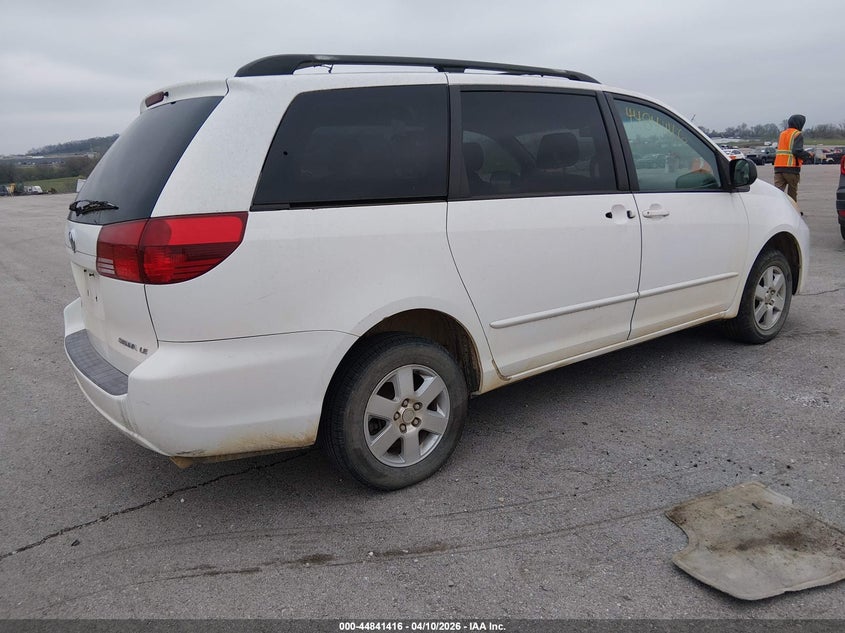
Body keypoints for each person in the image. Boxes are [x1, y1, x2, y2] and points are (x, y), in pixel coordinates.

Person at [773, 114, 811, 204]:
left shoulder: (782, 134)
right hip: (791, 168)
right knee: (792, 194)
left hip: (778, 167)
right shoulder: (797, 134)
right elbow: (796, 151)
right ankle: (793, 213)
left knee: (777, 192)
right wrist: (807, 155)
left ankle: (777, 210)